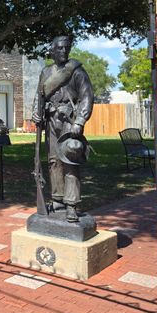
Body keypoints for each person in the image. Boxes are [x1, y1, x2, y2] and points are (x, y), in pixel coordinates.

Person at [31, 35, 94, 222]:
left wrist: (79, 121)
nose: (63, 51)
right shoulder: (46, 72)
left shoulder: (76, 71)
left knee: (70, 162)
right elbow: (39, 95)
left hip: (69, 121)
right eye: (59, 48)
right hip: (50, 121)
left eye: (66, 48)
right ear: (52, 51)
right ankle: (57, 199)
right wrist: (36, 113)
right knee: (53, 161)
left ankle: (71, 204)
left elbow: (87, 97)